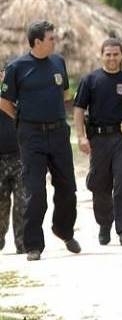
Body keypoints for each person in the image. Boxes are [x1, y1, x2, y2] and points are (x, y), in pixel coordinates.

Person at [0, 20, 81, 262]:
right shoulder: (17, 67)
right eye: (51, 38)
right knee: (35, 192)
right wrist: (22, 121)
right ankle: (33, 244)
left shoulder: (58, 63)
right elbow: (4, 101)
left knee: (68, 188)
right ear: (37, 42)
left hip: (58, 133)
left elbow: (65, 93)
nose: (55, 41)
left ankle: (64, 230)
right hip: (31, 136)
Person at [73, 38, 122, 246]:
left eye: (116, 54)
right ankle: (104, 224)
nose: (112, 58)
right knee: (100, 185)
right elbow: (78, 110)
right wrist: (81, 136)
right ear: (101, 55)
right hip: (99, 140)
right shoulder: (90, 80)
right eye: (108, 54)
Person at [0, 63, 25, 254]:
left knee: (23, 201)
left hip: (20, 156)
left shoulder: (20, 96)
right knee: (1, 204)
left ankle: (23, 242)